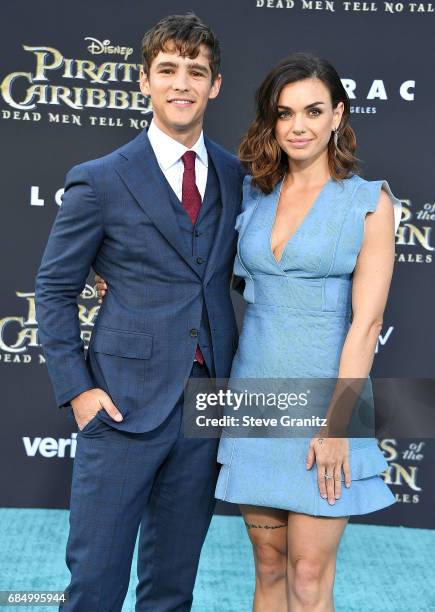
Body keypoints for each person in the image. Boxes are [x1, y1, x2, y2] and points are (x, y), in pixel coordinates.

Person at [96, 53, 402, 610]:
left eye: (313, 111)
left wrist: (337, 425)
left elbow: (368, 325)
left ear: (338, 114)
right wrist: (110, 273)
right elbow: (184, 255)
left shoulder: (369, 203)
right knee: (267, 566)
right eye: (284, 114)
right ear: (272, 121)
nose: (298, 126)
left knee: (308, 576)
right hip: (255, 393)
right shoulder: (252, 195)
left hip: (328, 400)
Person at [35, 13, 243, 612]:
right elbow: (53, 291)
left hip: (208, 404)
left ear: (215, 85)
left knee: (172, 588)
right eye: (168, 70)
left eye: (196, 71)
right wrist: (79, 392)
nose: (183, 83)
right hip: (120, 404)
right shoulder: (99, 181)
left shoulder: (235, 175)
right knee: (95, 585)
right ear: (145, 83)